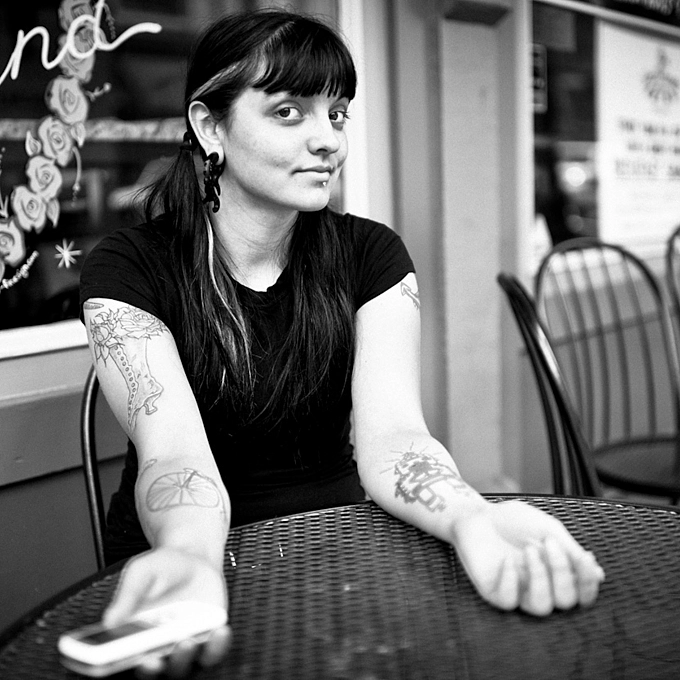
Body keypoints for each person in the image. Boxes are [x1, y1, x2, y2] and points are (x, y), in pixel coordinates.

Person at [80, 8, 605, 677]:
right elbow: (173, 451)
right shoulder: (130, 267)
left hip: (339, 541)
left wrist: (471, 515)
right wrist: (188, 555)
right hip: (186, 560)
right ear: (210, 126)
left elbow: (394, 437)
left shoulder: (370, 254)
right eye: (288, 112)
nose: (328, 139)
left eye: (337, 114)